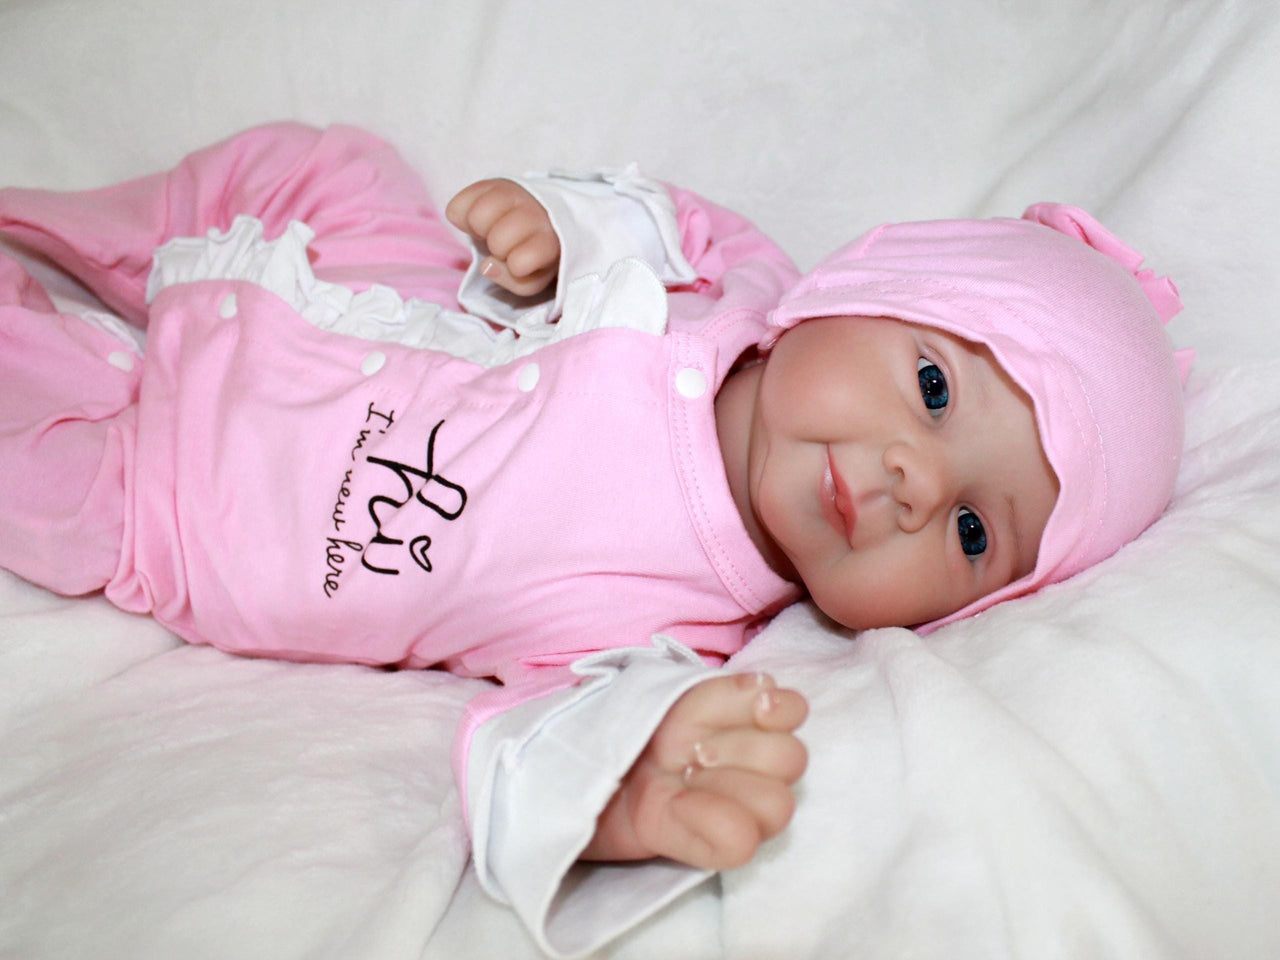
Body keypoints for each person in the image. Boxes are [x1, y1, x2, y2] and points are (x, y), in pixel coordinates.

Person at [0, 123, 1189, 957]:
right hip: (340, 275)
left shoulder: (679, 624)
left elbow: (542, 738)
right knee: (330, 165)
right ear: (855, 284)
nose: (912, 482)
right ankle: (64, 224)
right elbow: (649, 214)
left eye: (976, 531)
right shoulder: (741, 272)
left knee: (45, 491)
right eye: (932, 385)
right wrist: (558, 229)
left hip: (209, 497)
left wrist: (619, 799)